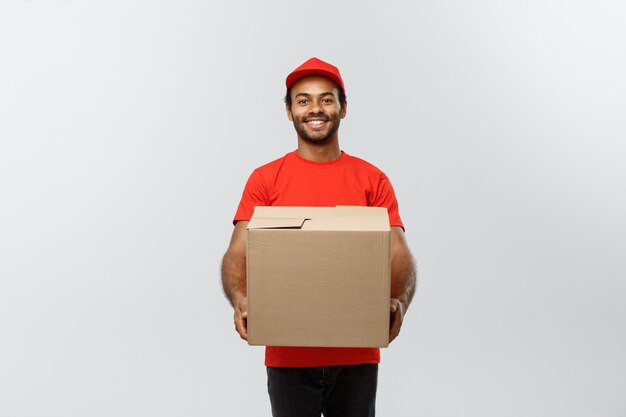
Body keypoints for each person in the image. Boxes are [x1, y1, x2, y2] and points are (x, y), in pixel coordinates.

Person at [221, 57, 417, 417]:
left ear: (343, 108)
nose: (315, 108)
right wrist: (240, 298)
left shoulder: (372, 180)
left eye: (327, 99)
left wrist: (399, 301)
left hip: (357, 354)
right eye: (303, 100)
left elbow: (398, 252)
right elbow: (239, 249)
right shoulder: (266, 180)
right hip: (287, 354)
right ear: (289, 111)